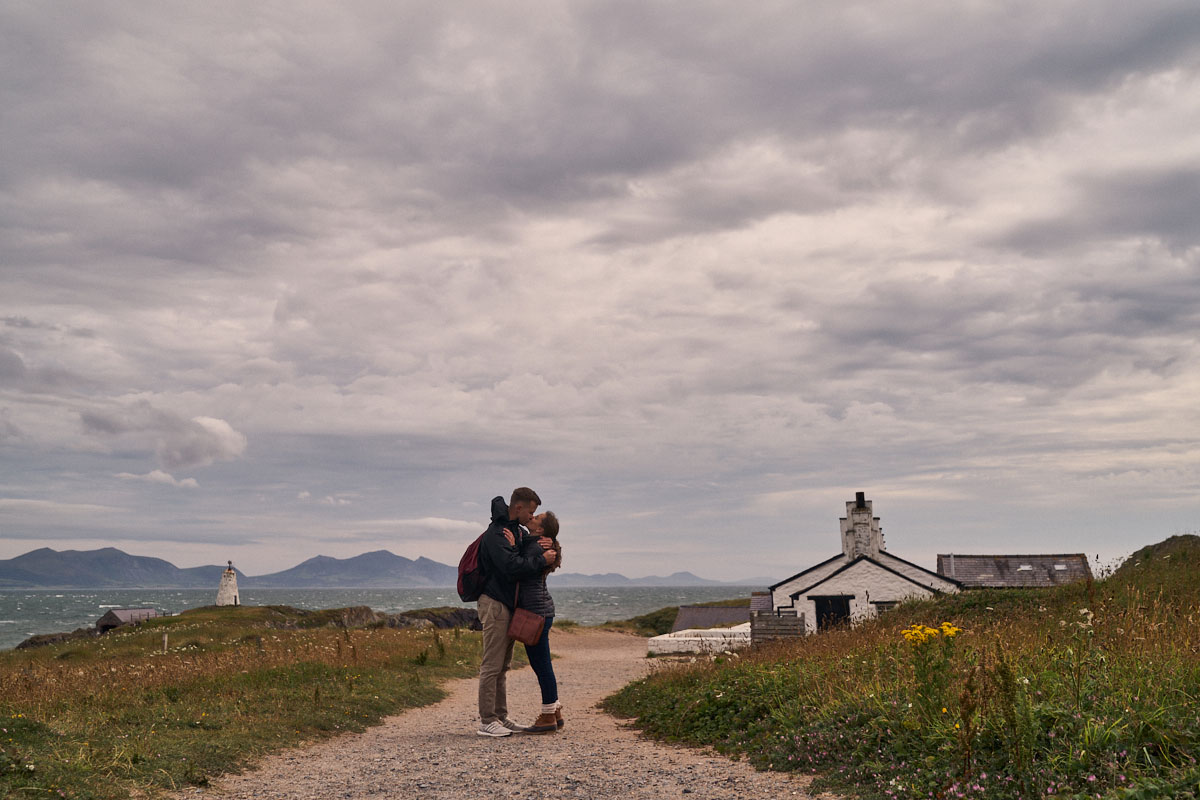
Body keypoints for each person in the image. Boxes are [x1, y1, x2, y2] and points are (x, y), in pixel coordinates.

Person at [476, 487, 557, 737]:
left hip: (508, 605)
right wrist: (541, 559)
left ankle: (500, 717)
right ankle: (487, 720)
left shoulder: (516, 532)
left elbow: (524, 553)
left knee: (503, 665)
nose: (531, 517)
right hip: (495, 603)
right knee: (492, 664)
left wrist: (548, 543)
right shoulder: (497, 534)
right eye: (530, 512)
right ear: (518, 508)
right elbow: (510, 567)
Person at [518, 511, 563, 733]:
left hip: (535, 612)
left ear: (540, 529)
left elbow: (516, 562)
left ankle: (547, 716)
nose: (533, 516)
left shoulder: (536, 547)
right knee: (542, 663)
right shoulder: (543, 544)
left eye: (538, 517)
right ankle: (555, 709)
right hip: (543, 610)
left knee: (541, 665)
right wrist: (555, 542)